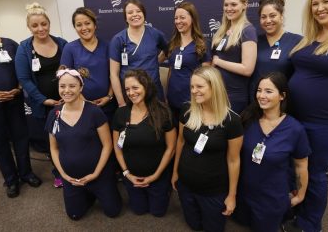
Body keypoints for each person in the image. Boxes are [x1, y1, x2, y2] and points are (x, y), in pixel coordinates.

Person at [286, 0, 328, 231]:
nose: (319, 8)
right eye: (315, 3)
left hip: (326, 123)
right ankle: (297, 212)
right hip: (296, 117)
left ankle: (309, 225)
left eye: (326, 2)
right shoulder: (310, 38)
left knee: (316, 173)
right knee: (298, 170)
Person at [234, 72, 310, 232]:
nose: (261, 95)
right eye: (259, 90)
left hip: (271, 199)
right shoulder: (247, 119)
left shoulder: (295, 129)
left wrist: (301, 195)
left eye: (268, 91)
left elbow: (301, 165)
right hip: (244, 194)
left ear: (282, 96)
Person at [171, 66, 243, 232]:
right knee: (194, 225)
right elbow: (180, 142)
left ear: (214, 86)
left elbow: (234, 160)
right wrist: (175, 172)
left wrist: (232, 196)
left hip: (213, 191)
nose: (194, 91)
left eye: (200, 86)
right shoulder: (187, 111)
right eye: (192, 87)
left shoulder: (232, 121)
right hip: (186, 186)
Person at [45, 66, 122, 220]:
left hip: (99, 174)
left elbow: (107, 145)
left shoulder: (94, 112)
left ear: (81, 87)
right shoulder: (54, 114)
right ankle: (85, 193)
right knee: (74, 215)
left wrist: (95, 174)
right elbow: (53, 149)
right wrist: (64, 175)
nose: (67, 90)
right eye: (62, 86)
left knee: (113, 212)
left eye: (72, 86)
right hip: (71, 178)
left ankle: (98, 190)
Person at [15, 2, 67, 188]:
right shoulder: (24, 48)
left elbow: (72, 70)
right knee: (52, 140)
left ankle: (75, 168)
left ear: (49, 23)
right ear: (29, 27)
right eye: (35, 25)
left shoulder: (62, 43)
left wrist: (69, 96)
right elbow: (24, 79)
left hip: (68, 102)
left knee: (71, 138)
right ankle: (58, 173)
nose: (40, 28)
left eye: (43, 24)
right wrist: (44, 100)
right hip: (45, 105)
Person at [112, 69, 176, 217]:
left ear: (146, 87)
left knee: (158, 212)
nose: (131, 93)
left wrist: (156, 175)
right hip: (131, 176)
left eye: (135, 87)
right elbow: (117, 147)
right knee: (139, 211)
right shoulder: (121, 114)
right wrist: (127, 174)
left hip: (158, 176)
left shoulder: (163, 112)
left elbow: (171, 148)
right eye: (127, 89)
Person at [0, 31, 41, 197]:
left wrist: (20, 87)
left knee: (21, 138)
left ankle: (26, 173)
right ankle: (11, 180)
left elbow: (23, 68)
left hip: (15, 101)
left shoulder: (11, 44)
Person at [60, 7, 116, 126]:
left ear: (95, 25)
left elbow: (114, 74)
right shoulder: (70, 48)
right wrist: (82, 99)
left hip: (109, 105)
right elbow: (64, 78)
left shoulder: (108, 46)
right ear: (75, 28)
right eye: (79, 25)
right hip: (81, 107)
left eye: (87, 23)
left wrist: (109, 96)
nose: (84, 28)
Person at [109, 0, 168, 106]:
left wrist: (155, 62)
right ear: (125, 17)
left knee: (159, 120)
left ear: (144, 14)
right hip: (131, 93)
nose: (135, 14)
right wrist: (121, 103)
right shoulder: (118, 39)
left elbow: (168, 50)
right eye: (130, 12)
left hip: (154, 91)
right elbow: (114, 74)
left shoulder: (155, 34)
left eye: (138, 11)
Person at [211, 0, 257, 114]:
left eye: (233, 4)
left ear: (244, 5)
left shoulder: (248, 30)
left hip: (234, 96)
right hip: (217, 92)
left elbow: (247, 69)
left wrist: (219, 62)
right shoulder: (223, 30)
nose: (229, 8)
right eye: (226, 5)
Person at [249, 0, 302, 100]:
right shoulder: (254, 42)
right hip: (256, 101)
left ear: (281, 16)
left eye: (273, 16)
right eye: (263, 17)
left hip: (282, 103)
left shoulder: (297, 41)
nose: (268, 21)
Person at [167, 1, 211, 126]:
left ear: (192, 19)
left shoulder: (202, 44)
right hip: (172, 100)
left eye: (182, 17)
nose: (178, 21)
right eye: (176, 18)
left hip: (192, 101)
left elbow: (207, 77)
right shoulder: (172, 44)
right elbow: (171, 70)